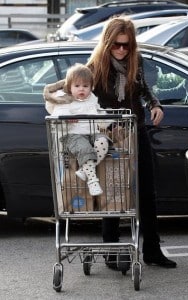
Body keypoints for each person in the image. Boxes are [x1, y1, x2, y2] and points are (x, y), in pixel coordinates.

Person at [86, 17, 177, 269]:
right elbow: (82, 99)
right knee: (113, 193)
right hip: (109, 137)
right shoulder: (94, 68)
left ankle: (152, 250)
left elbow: (144, 90)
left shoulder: (136, 62)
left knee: (147, 192)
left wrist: (155, 105)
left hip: (136, 131)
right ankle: (111, 251)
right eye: (117, 45)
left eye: (127, 45)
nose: (122, 50)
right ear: (107, 43)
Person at [43, 63, 109, 196]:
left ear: (91, 87)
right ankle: (92, 181)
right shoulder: (64, 100)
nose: (82, 89)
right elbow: (57, 116)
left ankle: (85, 170)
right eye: (77, 86)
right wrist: (66, 120)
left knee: (103, 142)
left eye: (86, 86)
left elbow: (97, 111)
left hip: (91, 131)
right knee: (85, 149)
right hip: (72, 134)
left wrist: (105, 117)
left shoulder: (92, 98)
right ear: (69, 87)